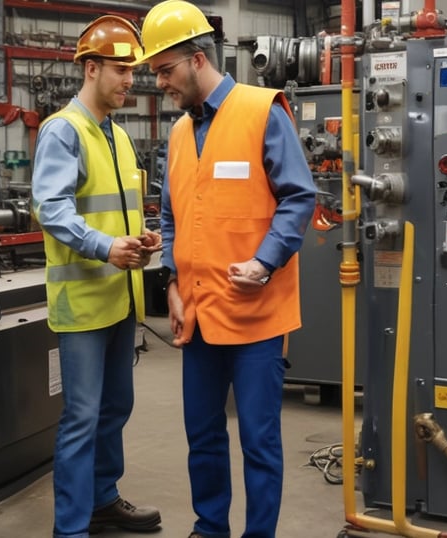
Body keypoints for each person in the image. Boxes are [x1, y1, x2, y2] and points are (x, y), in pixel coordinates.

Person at [136, 1, 317, 537]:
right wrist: (170, 281)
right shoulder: (175, 135)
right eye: (155, 74)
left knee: (258, 439)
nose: (161, 83)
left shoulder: (264, 110)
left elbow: (299, 197)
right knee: (204, 434)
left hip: (257, 314)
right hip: (198, 311)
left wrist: (265, 263)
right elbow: (171, 216)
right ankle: (209, 527)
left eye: (165, 71)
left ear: (197, 58)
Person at [31, 15, 162, 538]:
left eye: (133, 70)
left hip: (120, 299)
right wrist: (107, 247)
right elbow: (50, 208)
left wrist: (144, 237)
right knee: (82, 418)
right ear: (90, 69)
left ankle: (102, 500)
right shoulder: (64, 130)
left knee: (116, 407)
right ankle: (70, 528)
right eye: (121, 69)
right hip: (83, 305)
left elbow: (121, 211)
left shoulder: (118, 136)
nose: (131, 80)